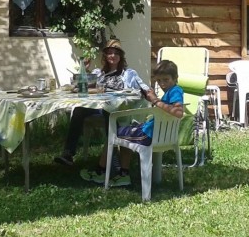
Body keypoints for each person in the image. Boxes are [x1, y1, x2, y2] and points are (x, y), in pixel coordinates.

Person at [80, 59, 184, 187]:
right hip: (155, 132)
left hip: (149, 135)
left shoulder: (175, 91)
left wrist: (156, 101)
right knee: (126, 129)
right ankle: (123, 173)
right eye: (159, 80)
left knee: (114, 133)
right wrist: (152, 99)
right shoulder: (172, 91)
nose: (162, 84)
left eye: (166, 80)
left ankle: (101, 172)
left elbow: (178, 112)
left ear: (175, 78)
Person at [54, 39, 144, 167]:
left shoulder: (129, 74)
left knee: (109, 111)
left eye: (116, 53)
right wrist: (84, 70)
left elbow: (140, 90)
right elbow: (81, 87)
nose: (112, 56)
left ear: (120, 56)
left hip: (117, 109)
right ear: (105, 56)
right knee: (79, 109)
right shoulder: (99, 73)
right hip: (99, 107)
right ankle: (68, 153)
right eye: (109, 53)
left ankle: (112, 157)